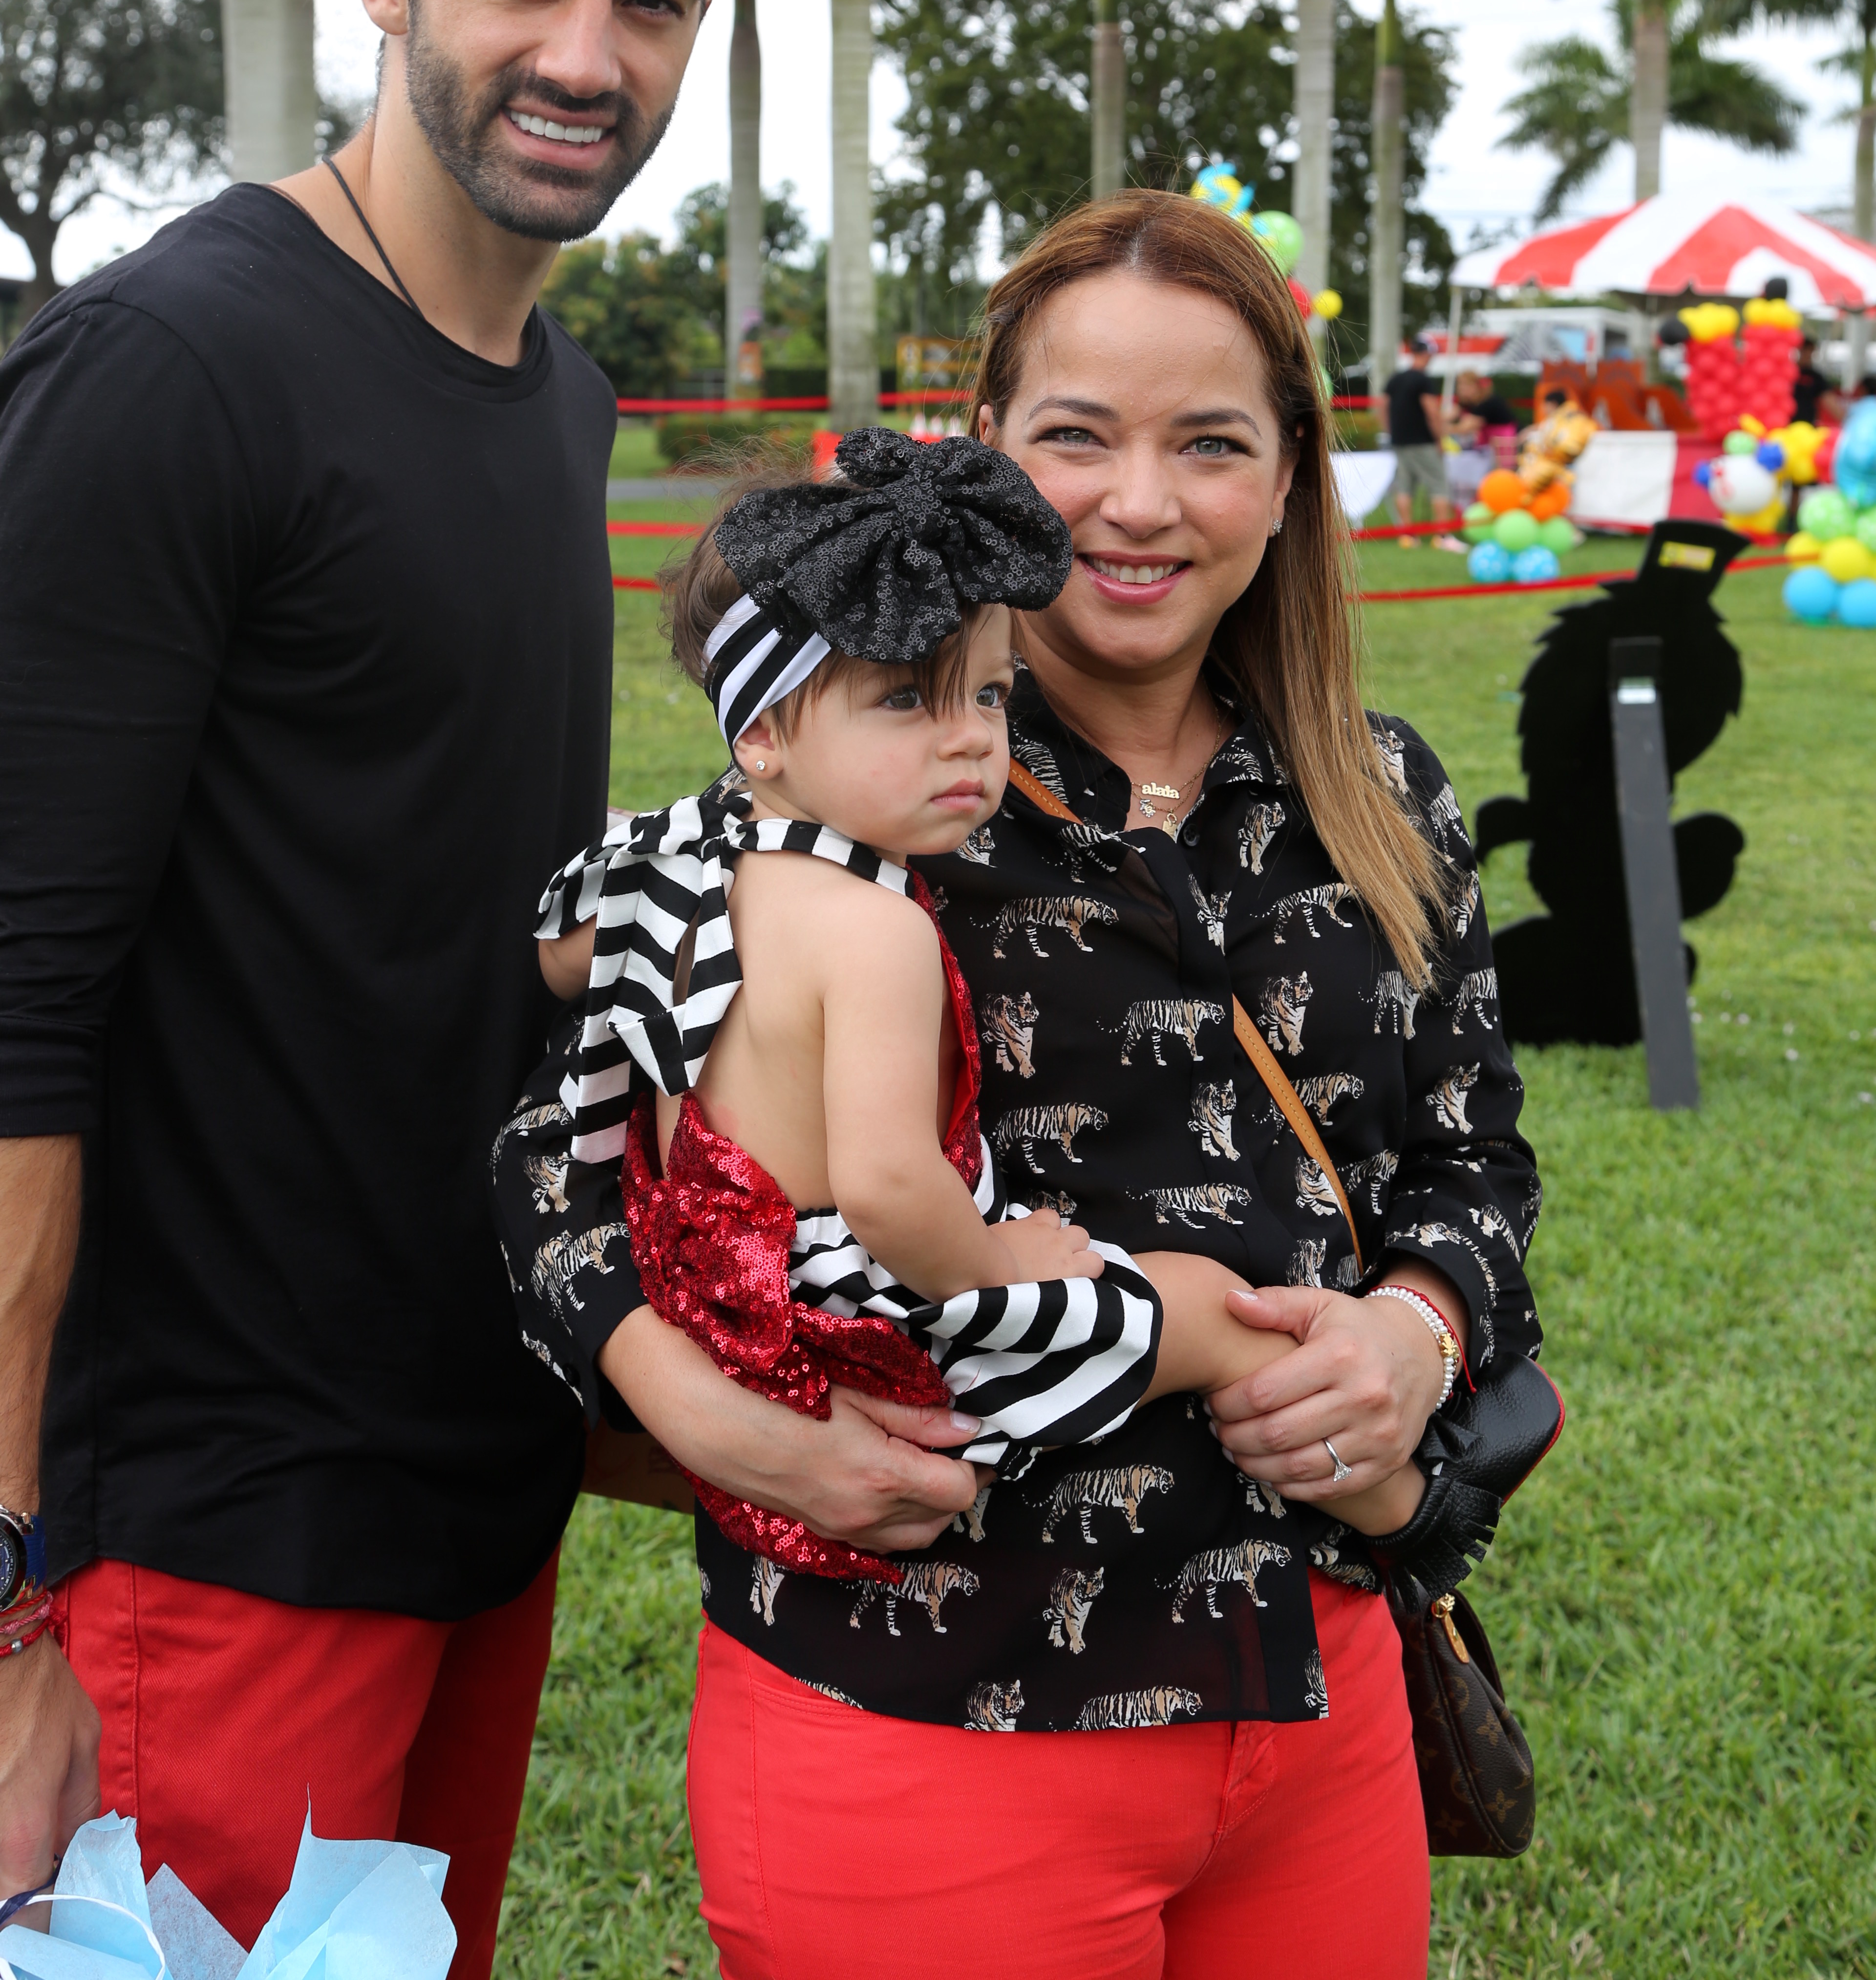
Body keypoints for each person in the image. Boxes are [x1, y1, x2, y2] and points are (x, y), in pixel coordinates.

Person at [495, 193, 1541, 1980]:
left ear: (1291, 475)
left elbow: (1476, 1164)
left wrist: (1420, 1333)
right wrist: (717, 1418)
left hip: (1313, 1687)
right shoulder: (855, 785)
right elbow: (550, 1163)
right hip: (922, 1703)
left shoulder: (1378, 784)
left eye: (1211, 441)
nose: (1140, 501)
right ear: (986, 457)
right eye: (1076, 436)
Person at [0, 0, 723, 1973]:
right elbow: (11, 1024)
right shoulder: (170, 371)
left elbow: (444, 912)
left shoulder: (564, 394)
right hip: (197, 1548)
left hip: (474, 1480)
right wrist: (8, 1596)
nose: (587, 53)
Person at [527, 436, 1420, 1589]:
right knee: (1202, 1302)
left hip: (710, 1281)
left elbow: (558, 958)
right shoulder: (875, 925)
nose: (967, 737)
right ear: (761, 732)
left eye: (990, 693)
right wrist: (1002, 1258)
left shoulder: (685, 862)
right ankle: (1407, 1514)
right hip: (866, 1312)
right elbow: (894, 1189)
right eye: (906, 697)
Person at [1382, 334, 1463, 550]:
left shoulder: (1396, 379)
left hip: (1400, 442)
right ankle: (1443, 536)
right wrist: (1439, 440)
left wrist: (1391, 432)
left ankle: (1408, 536)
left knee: (1405, 488)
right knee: (1439, 486)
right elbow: (1432, 413)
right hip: (1423, 442)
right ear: (1427, 354)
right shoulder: (1423, 380)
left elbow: (1384, 408)